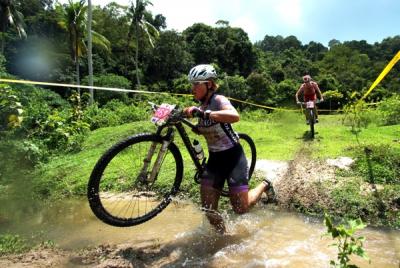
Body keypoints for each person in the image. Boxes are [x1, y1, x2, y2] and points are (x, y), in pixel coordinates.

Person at [183, 64, 274, 234]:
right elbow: (203, 128)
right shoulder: (200, 106)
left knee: (241, 208)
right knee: (208, 210)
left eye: (196, 84)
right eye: (192, 84)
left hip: (233, 157)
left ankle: (265, 185)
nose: (192, 89)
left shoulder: (218, 100)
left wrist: (204, 114)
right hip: (215, 160)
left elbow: (234, 116)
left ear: (209, 84)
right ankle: (223, 239)